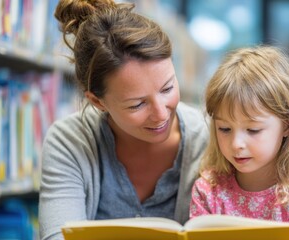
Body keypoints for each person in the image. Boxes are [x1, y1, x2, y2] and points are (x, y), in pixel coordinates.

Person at [39, 1, 208, 239]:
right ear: (98, 102)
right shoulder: (69, 141)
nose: (161, 113)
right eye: (137, 104)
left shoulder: (212, 137)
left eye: (167, 88)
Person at [189, 46, 289, 240]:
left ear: (287, 125)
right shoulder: (208, 188)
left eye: (253, 130)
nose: (236, 143)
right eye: (224, 129)